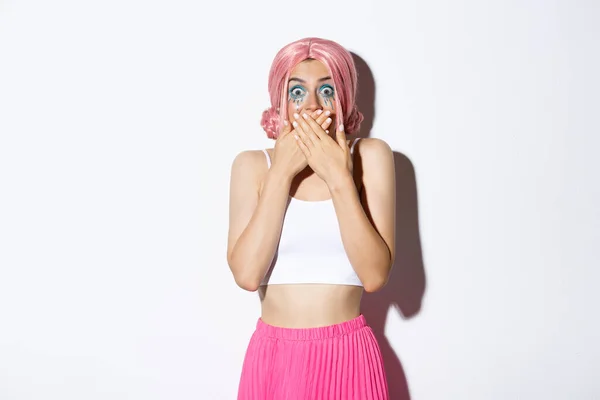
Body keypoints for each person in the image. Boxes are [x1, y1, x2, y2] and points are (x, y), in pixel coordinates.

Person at [227, 37, 396, 399]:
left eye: (327, 89)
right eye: (298, 92)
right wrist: (281, 174)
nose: (313, 106)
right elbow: (246, 274)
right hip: (274, 359)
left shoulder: (371, 156)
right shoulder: (253, 165)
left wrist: (339, 178)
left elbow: (375, 276)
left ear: (345, 96)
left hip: (348, 357)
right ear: (280, 101)